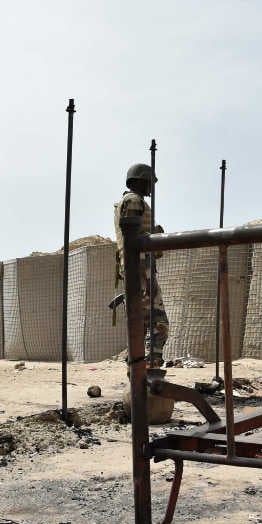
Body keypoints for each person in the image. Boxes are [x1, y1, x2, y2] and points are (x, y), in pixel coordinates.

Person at [115, 164, 173, 424]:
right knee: (157, 325)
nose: (152, 187)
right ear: (140, 181)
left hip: (140, 269)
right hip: (141, 271)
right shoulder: (134, 201)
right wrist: (156, 236)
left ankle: (140, 374)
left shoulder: (132, 200)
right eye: (150, 182)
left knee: (144, 326)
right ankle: (147, 375)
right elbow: (134, 238)